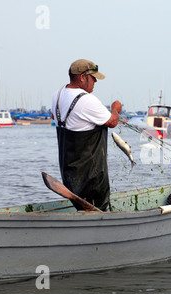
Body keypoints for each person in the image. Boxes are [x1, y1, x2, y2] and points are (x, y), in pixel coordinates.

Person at [51, 59, 122, 211]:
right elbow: (112, 122)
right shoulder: (87, 100)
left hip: (69, 176)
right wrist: (115, 108)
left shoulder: (57, 95)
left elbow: (53, 116)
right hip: (92, 178)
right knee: (99, 209)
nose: (96, 81)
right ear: (83, 77)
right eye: (93, 77)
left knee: (83, 209)